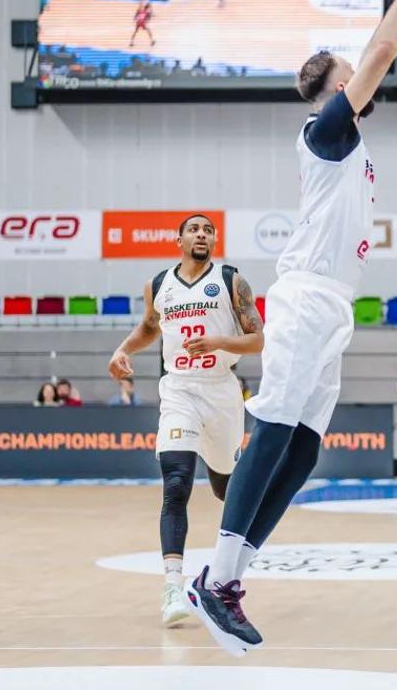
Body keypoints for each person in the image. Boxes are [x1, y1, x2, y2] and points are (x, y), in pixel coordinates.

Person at [186, 0, 397, 654]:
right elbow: (383, 55)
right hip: (304, 299)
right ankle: (219, 581)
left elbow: (374, 64)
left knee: (301, 451)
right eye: (351, 73)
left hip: (332, 308)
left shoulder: (348, 146)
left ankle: (223, 574)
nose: (362, 77)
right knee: (273, 428)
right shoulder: (325, 131)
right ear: (338, 89)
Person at [108, 213, 263, 628]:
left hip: (221, 391)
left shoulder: (231, 281)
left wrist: (216, 341)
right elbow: (148, 327)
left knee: (226, 489)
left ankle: (224, 577)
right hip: (178, 389)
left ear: (213, 241)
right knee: (176, 482)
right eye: (194, 229)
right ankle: (173, 587)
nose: (201, 234)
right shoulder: (158, 285)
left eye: (208, 230)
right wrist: (123, 349)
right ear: (179, 239)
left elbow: (257, 339)